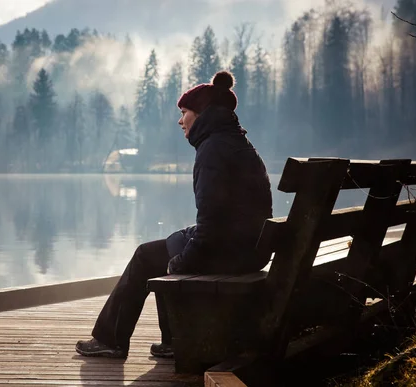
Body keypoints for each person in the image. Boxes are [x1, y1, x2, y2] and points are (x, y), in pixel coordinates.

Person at [75, 70, 273, 359]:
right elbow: (223, 216)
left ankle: (111, 339)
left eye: (184, 112)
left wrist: (183, 260)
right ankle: (174, 340)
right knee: (171, 244)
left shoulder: (213, 149)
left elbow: (211, 226)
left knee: (147, 256)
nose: (180, 121)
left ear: (202, 114)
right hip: (248, 248)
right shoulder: (239, 145)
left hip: (231, 252)